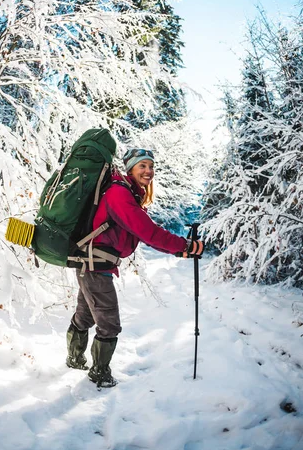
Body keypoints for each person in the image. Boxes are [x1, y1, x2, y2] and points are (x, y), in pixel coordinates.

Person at [66, 148, 204, 388]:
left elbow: (142, 232)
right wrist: (186, 245)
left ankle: (74, 359)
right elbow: (147, 231)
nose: (149, 171)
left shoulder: (125, 193)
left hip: (91, 263)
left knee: (86, 315)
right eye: (142, 166)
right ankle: (99, 374)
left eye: (151, 166)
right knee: (109, 323)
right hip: (94, 265)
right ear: (130, 169)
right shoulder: (119, 194)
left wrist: (178, 250)